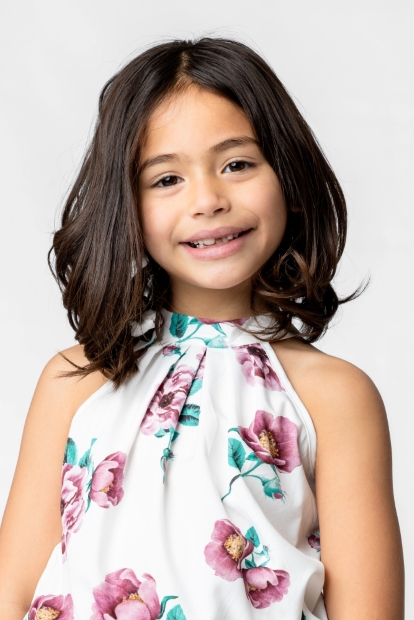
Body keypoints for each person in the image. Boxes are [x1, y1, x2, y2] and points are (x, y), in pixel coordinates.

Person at [0, 37, 404, 620]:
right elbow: (12, 594)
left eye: (237, 164)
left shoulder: (335, 396)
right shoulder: (76, 381)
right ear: (126, 207)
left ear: (288, 178)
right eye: (166, 179)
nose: (208, 200)